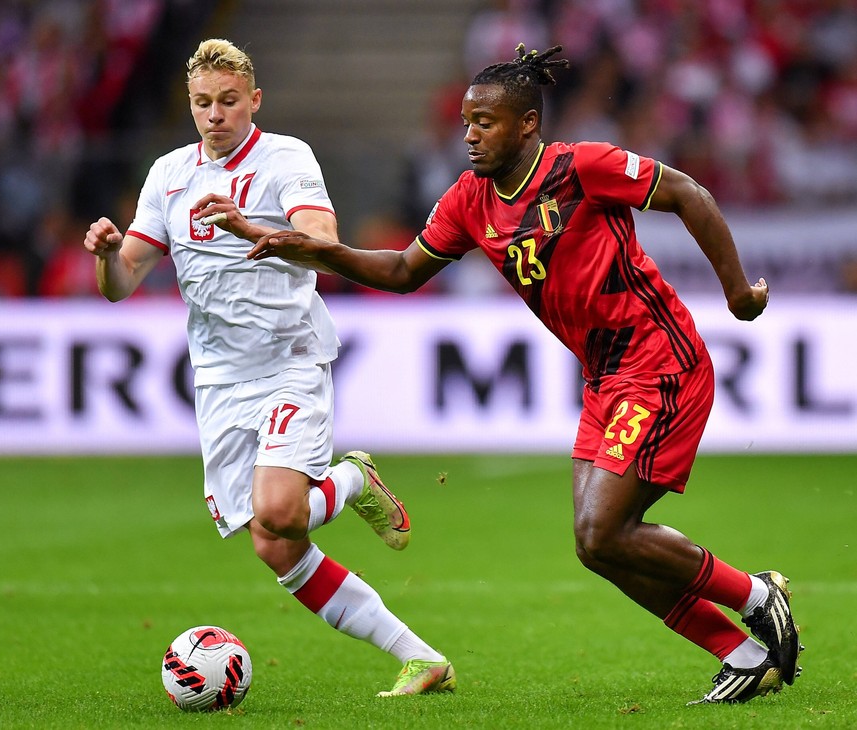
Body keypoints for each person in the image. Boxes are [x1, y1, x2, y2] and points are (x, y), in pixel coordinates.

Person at [248, 44, 803, 705]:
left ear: (526, 124)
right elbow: (401, 272)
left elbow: (688, 193)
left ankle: (755, 593)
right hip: (604, 379)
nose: (469, 134)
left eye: (484, 121)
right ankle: (741, 654)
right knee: (597, 546)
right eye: (465, 121)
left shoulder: (583, 168)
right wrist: (318, 252)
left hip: (659, 359)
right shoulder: (468, 200)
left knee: (604, 532)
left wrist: (736, 293)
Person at [82, 38, 454, 698]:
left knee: (279, 511)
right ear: (190, 104)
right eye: (202, 104)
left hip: (289, 360)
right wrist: (107, 255)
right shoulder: (169, 174)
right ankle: (420, 658)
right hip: (219, 381)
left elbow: (324, 244)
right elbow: (122, 282)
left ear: (253, 99)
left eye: (228, 101)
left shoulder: (285, 159)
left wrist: (249, 227)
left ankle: (350, 478)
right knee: (275, 545)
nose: (215, 114)